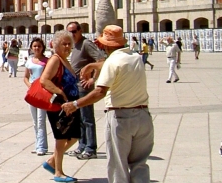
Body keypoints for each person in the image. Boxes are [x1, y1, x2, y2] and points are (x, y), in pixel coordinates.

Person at [61, 25, 153, 183]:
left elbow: (99, 92)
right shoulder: (135, 57)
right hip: (143, 116)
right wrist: (92, 65)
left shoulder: (112, 62)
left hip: (121, 117)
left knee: (118, 165)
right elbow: (115, 63)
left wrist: (75, 104)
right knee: (140, 164)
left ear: (104, 45)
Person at [39, 30, 80, 183]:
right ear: (56, 45)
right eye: (64, 44)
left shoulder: (65, 60)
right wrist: (61, 93)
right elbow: (44, 80)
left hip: (72, 104)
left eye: (69, 44)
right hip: (60, 105)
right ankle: (58, 172)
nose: (67, 46)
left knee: (75, 136)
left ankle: (51, 161)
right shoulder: (55, 60)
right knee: (61, 137)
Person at [66, 21, 104, 160]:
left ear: (80, 30)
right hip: (74, 87)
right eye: (69, 32)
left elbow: (100, 60)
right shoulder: (73, 46)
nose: (72, 34)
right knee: (79, 119)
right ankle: (82, 145)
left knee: (87, 118)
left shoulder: (86, 44)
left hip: (84, 87)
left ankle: (91, 148)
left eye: (74, 31)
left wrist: (92, 79)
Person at [23, 37, 49, 156]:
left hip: (43, 93)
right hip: (32, 93)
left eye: (39, 46)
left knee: (41, 120)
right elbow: (26, 77)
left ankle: (42, 147)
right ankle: (38, 143)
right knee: (34, 121)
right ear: (31, 48)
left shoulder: (47, 61)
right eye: (34, 46)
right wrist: (30, 86)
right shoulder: (29, 61)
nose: (37, 48)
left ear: (42, 47)